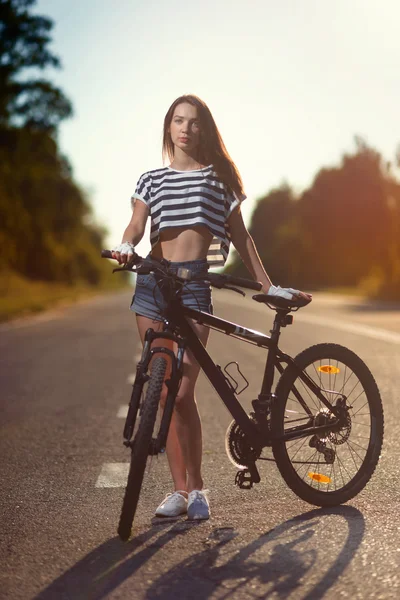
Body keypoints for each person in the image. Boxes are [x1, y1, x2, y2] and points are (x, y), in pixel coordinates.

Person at [111, 94, 312, 521]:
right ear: (168, 127)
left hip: (194, 287)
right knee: (162, 391)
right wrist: (127, 245)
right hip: (153, 283)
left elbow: (242, 238)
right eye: (178, 121)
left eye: (194, 122)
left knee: (183, 393)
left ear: (204, 130)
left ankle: (199, 488)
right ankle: (178, 491)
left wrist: (267, 285)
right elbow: (136, 223)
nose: (185, 128)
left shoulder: (218, 180)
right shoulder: (150, 179)